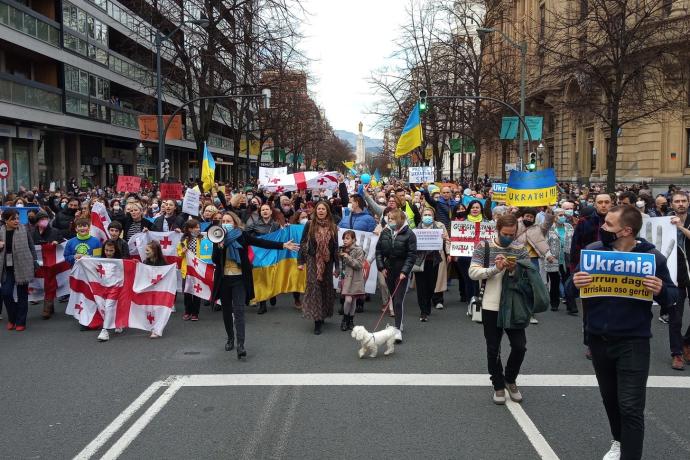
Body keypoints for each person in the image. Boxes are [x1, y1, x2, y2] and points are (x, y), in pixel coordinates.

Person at [569, 205, 677, 460]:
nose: (603, 228)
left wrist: (660, 289)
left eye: (608, 225)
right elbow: (569, 290)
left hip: (633, 341)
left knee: (631, 406)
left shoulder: (653, 258)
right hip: (598, 339)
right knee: (610, 399)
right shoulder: (594, 252)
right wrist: (574, 283)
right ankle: (618, 440)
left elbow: (672, 298)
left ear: (626, 230)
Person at [212, 212, 299, 359]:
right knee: (226, 311)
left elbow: (261, 243)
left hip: (239, 279)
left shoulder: (241, 235)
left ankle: (241, 345)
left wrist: (283, 245)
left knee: (239, 311)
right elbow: (215, 260)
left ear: (234, 223)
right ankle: (230, 338)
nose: (225, 222)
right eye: (223, 221)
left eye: (228, 220)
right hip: (224, 279)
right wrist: (219, 247)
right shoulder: (216, 237)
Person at [468, 213, 530, 405]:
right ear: (497, 230)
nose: (509, 238)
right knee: (493, 348)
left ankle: (510, 378)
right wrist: (495, 268)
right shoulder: (484, 246)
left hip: (514, 305)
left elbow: (529, 277)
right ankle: (498, 385)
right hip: (491, 304)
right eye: (505, 234)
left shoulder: (520, 249)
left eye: (512, 234)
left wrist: (514, 270)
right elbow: (473, 272)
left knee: (520, 346)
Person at [570, 192, 612, 359]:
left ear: (611, 203)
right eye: (600, 202)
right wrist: (575, 270)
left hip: (611, 273)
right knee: (589, 311)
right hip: (589, 273)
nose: (603, 205)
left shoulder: (619, 222)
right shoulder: (584, 223)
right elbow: (576, 246)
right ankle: (591, 343)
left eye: (606, 202)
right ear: (595, 204)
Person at [375, 208, 417, 343]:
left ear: (399, 219)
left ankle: (398, 328)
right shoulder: (386, 232)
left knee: (398, 300)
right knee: (393, 297)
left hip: (402, 272)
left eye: (392, 218)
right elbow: (379, 250)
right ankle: (399, 323)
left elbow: (411, 255)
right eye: (388, 218)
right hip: (388, 270)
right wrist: (381, 267)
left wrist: (405, 271)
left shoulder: (409, 234)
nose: (389, 221)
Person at [298, 201, 339, 335]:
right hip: (312, 260)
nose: (321, 211)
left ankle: (323, 314)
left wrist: (337, 266)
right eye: (319, 209)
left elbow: (336, 247)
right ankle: (317, 320)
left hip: (327, 262)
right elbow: (303, 242)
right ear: (315, 211)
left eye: (323, 209)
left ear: (327, 211)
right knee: (314, 287)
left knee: (325, 288)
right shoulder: (309, 224)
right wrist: (301, 260)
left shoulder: (333, 227)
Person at [0, 209, 38, 331]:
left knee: (22, 294)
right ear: (6, 220)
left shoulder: (24, 229)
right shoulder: (0, 231)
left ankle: (21, 321)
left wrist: (34, 261)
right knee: (6, 293)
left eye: (17, 218)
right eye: (13, 219)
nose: (16, 221)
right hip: (6, 268)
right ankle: (12, 318)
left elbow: (31, 246)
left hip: (23, 265)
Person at [414, 207, 450, 321]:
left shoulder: (440, 227)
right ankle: (423, 311)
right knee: (421, 287)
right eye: (425, 215)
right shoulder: (416, 229)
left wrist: (448, 250)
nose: (427, 217)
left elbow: (447, 241)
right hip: (420, 260)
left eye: (430, 215)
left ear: (433, 217)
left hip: (434, 260)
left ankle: (428, 303)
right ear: (421, 216)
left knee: (431, 285)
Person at [246, 203, 281, 314]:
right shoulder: (254, 224)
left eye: (267, 209)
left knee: (271, 275)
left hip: (272, 253)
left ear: (271, 212)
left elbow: (280, 237)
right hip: (259, 254)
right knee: (260, 277)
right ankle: (262, 304)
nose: (265, 211)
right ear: (260, 213)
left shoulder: (276, 225)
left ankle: (272, 293)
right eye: (262, 210)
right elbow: (245, 235)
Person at [668, 191, 690, 370]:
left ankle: (686, 342)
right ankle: (676, 353)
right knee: (676, 318)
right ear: (671, 204)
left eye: (684, 201)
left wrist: (681, 227)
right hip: (675, 277)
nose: (681, 204)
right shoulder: (664, 221)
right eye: (677, 201)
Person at [31, 210, 62, 319]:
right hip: (38, 263)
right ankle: (50, 303)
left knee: (50, 283)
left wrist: (57, 242)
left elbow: (61, 242)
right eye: (41, 219)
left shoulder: (55, 231)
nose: (44, 221)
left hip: (51, 262)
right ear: (37, 222)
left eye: (45, 219)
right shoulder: (31, 232)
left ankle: (47, 308)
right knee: (41, 284)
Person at [545, 208, 577, 314]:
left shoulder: (569, 227)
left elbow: (574, 241)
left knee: (568, 281)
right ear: (554, 217)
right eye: (560, 215)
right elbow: (544, 243)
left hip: (567, 258)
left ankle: (571, 305)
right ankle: (554, 303)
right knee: (554, 281)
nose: (562, 217)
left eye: (563, 215)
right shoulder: (549, 228)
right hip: (553, 258)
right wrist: (548, 254)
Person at [337, 230, 366, 331]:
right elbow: (338, 262)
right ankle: (345, 319)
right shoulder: (341, 249)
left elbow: (359, 265)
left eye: (347, 238)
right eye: (344, 238)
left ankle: (350, 320)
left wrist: (347, 257)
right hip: (344, 277)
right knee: (348, 299)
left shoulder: (358, 250)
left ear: (353, 239)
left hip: (354, 278)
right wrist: (337, 270)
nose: (345, 240)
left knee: (353, 300)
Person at [177, 219, 204, 321]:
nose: (198, 229)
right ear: (190, 229)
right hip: (187, 269)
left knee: (197, 292)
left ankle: (195, 313)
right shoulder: (183, 240)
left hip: (198, 269)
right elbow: (179, 253)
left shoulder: (202, 239)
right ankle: (187, 311)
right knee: (187, 292)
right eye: (196, 227)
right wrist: (183, 252)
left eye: (198, 227)